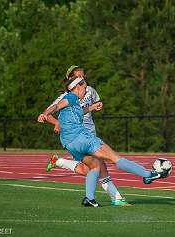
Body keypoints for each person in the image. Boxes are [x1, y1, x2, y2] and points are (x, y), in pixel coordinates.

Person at [38, 75, 165, 207]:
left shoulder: (73, 104)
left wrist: (92, 108)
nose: (86, 91)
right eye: (84, 88)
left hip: (69, 144)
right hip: (82, 138)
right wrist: (46, 113)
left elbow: (76, 111)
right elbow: (56, 106)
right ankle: (148, 174)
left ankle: (89, 198)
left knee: (94, 166)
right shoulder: (71, 97)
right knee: (115, 158)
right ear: (76, 87)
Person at [43, 66, 129, 206]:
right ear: (70, 79)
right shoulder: (65, 97)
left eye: (83, 77)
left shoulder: (90, 90)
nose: (82, 79)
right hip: (77, 136)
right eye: (78, 77)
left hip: (89, 132)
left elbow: (93, 103)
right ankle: (116, 197)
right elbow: (47, 112)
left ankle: (59, 162)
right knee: (99, 166)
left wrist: (96, 106)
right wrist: (58, 123)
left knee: (89, 169)